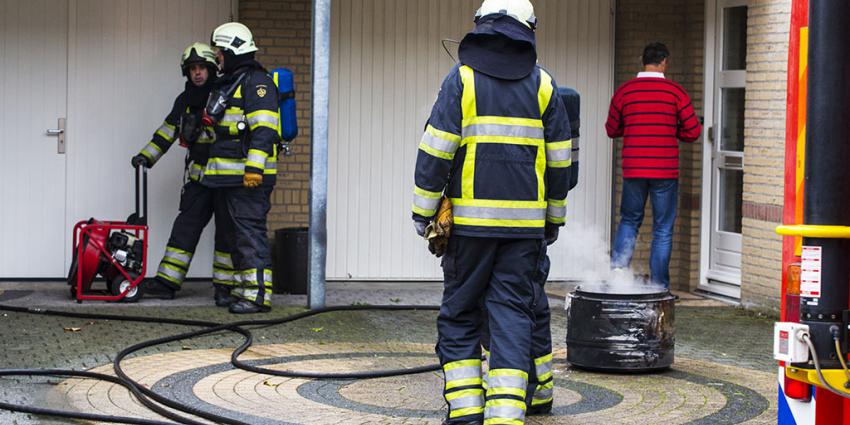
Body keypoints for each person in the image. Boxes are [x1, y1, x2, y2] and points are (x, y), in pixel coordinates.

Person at [411, 0, 572, 423]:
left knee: (461, 313)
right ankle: (505, 415)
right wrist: (553, 220)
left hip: (469, 231)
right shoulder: (544, 85)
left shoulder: (461, 81)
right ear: (527, 31)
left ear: (482, 27)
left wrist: (423, 212)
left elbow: (435, 152)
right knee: (513, 318)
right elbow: (560, 166)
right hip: (524, 232)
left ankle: (465, 412)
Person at [131, 43, 238, 306]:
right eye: (192, 69)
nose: (197, 73)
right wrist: (146, 156)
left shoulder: (225, 94)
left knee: (226, 234)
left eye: (202, 67)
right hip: (198, 179)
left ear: (212, 69)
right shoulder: (185, 100)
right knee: (184, 229)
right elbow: (168, 131)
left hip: (225, 179)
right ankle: (167, 283)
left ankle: (224, 289)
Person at [605, 42, 702, 288]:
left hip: (634, 170)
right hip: (664, 171)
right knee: (662, 229)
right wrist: (672, 129)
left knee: (629, 221)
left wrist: (634, 127)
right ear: (664, 62)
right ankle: (659, 288)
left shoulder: (625, 92)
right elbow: (693, 131)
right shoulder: (675, 93)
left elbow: (612, 129)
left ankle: (618, 279)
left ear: (642, 60)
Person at [204, 22, 281, 314]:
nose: (217, 57)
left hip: (247, 179)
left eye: (220, 52)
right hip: (225, 178)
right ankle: (229, 289)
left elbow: (264, 130)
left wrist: (255, 170)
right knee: (227, 236)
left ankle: (256, 296)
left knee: (249, 234)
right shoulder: (230, 80)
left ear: (233, 50)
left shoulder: (257, 82)